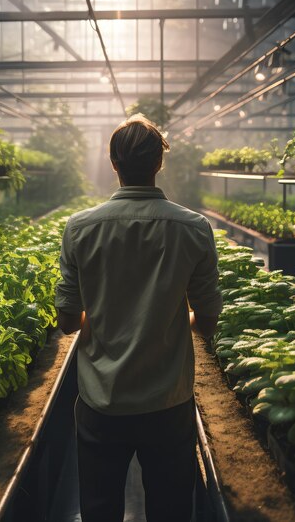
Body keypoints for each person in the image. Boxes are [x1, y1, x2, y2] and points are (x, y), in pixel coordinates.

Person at [55, 114, 222, 522]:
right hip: (168, 401)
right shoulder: (194, 228)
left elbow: (67, 322)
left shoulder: (79, 229)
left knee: (99, 509)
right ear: (158, 165)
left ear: (113, 163)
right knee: (170, 510)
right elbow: (210, 319)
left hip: (101, 401)